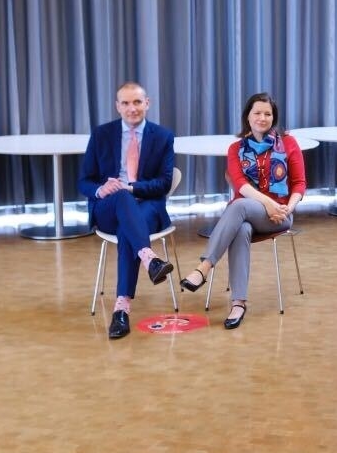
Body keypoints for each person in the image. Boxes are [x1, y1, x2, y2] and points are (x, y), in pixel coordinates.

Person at [179, 92, 306, 329]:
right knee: (241, 227)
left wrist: (287, 208)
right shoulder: (235, 148)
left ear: (273, 117)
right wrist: (267, 203)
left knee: (237, 207)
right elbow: (240, 185)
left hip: (280, 216)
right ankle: (238, 303)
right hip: (249, 212)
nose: (262, 118)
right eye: (257, 112)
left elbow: (299, 183)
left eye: (267, 113)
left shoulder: (288, 143)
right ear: (247, 117)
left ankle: (204, 267)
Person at [78, 82, 176, 340]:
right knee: (120, 198)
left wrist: (130, 188)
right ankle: (149, 258)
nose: (132, 108)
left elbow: (164, 182)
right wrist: (101, 190)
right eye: (125, 103)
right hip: (108, 207)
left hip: (147, 207)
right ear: (117, 106)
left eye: (137, 102)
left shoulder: (163, 136)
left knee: (127, 230)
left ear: (147, 103)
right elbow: (84, 181)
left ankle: (121, 310)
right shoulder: (101, 134)